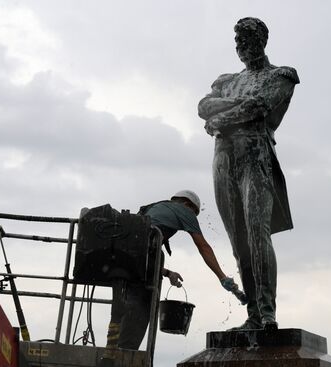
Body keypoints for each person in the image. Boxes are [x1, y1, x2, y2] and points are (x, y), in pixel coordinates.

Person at [198, 17, 299, 330]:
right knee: (238, 240)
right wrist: (234, 108)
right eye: (237, 39)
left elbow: (260, 106)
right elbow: (203, 107)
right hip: (223, 157)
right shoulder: (227, 80)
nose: (241, 44)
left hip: (255, 153)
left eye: (247, 38)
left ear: (262, 41)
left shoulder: (281, 75)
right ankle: (253, 315)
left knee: (257, 233)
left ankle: (267, 313)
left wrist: (221, 118)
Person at [99, 190, 241, 366]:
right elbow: (203, 246)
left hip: (124, 264)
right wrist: (222, 278)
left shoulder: (153, 209)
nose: (192, 216)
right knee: (139, 313)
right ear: (188, 205)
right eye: (194, 212)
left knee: (124, 310)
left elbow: (141, 254)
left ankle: (112, 353)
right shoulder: (184, 211)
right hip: (139, 265)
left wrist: (167, 273)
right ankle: (122, 358)